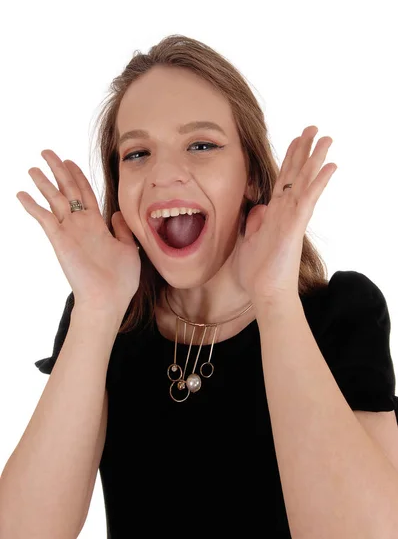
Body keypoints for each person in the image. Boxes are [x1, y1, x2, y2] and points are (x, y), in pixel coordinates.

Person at [1, 35, 398, 538]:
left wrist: (275, 299)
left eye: (202, 145)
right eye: (137, 153)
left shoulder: (341, 313)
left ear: (253, 175)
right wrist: (97, 311)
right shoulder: (105, 321)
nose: (164, 174)